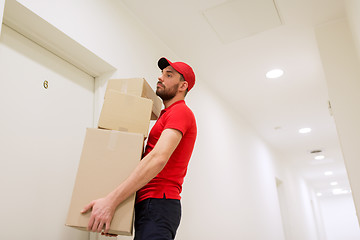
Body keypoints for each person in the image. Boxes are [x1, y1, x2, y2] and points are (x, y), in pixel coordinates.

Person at [81, 57, 197, 240]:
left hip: (159, 202)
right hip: (151, 204)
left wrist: (112, 201)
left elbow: (158, 158)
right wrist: (120, 214)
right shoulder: (165, 116)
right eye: (161, 73)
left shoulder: (180, 112)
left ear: (183, 86)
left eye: (169, 75)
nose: (160, 78)